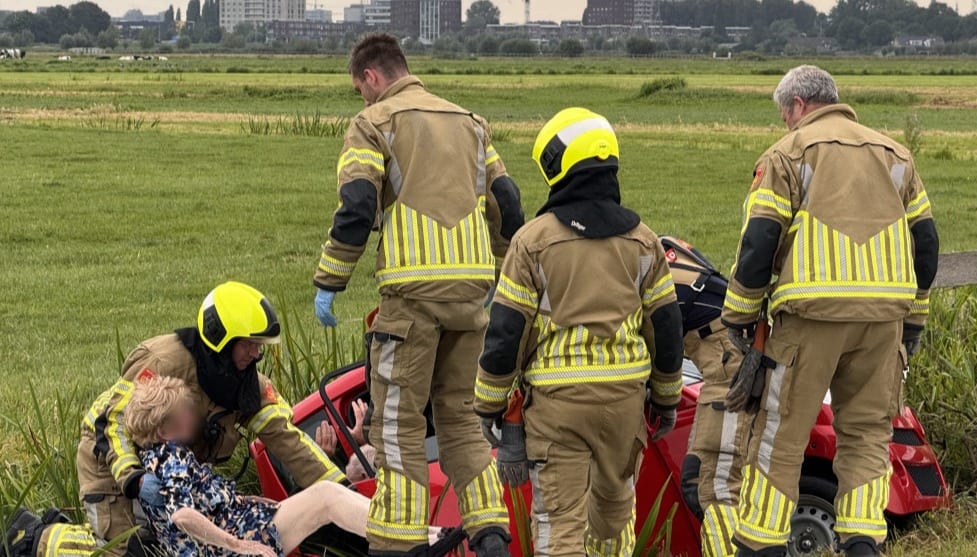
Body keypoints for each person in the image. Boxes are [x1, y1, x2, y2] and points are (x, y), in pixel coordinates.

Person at [311, 33, 525, 556]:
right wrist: (500, 272)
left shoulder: (373, 123)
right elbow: (509, 203)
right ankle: (491, 534)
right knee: (462, 423)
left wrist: (329, 280)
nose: (363, 98)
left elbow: (358, 205)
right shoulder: (470, 123)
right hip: (471, 299)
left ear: (371, 77)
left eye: (361, 89)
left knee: (397, 426)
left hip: (411, 300)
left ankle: (397, 545)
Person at [722, 66, 939, 557]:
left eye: (785, 114)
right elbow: (926, 246)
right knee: (865, 439)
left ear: (798, 104)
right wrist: (913, 324)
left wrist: (738, 318)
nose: (785, 123)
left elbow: (758, 245)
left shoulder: (788, 154)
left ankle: (760, 547)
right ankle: (863, 544)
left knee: (780, 438)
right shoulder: (896, 156)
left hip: (810, 322)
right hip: (883, 322)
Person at [473, 108, 685, 557]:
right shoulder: (644, 241)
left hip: (558, 406)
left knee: (558, 524)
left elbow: (505, 332)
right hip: (626, 403)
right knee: (613, 520)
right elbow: (666, 327)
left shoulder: (532, 243)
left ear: (561, 169)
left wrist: (488, 405)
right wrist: (665, 400)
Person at [4, 282, 349, 557]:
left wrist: (344, 488)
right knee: (126, 551)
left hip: (166, 473)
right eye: (249, 344)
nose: (257, 353)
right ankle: (36, 538)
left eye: (260, 345)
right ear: (220, 337)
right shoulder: (164, 363)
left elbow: (288, 440)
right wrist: (133, 479)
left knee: (168, 544)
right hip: (108, 463)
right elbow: (115, 425)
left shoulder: (247, 386)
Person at [125, 375, 461, 557]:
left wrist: (255, 501)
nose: (191, 415)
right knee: (327, 497)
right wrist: (240, 546)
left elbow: (205, 504)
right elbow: (183, 516)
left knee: (325, 498)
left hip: (246, 525)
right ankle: (415, 538)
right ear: (162, 429)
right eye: (182, 412)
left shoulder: (164, 458)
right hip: (237, 541)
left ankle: (421, 537)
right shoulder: (172, 460)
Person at [661, 236, 748, 557]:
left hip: (729, 365)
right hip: (725, 361)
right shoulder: (656, 249)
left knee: (713, 487)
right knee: (700, 481)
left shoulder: (636, 271)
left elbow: (658, 349)